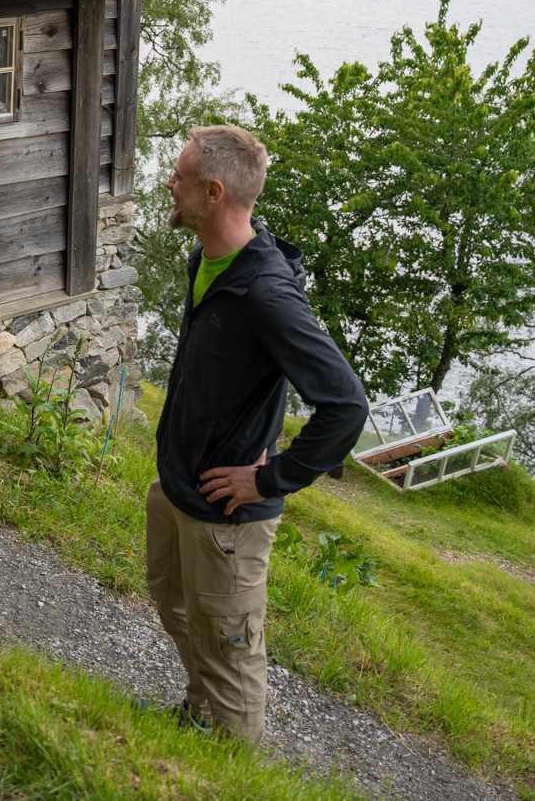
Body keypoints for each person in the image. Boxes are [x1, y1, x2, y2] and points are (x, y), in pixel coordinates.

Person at [149, 124, 368, 743]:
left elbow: (346, 405)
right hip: (180, 486)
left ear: (213, 192)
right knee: (177, 606)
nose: (170, 182)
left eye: (180, 177)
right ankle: (199, 715)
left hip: (229, 515)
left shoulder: (268, 294)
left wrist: (270, 478)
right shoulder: (208, 259)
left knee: (233, 652)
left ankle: (233, 766)